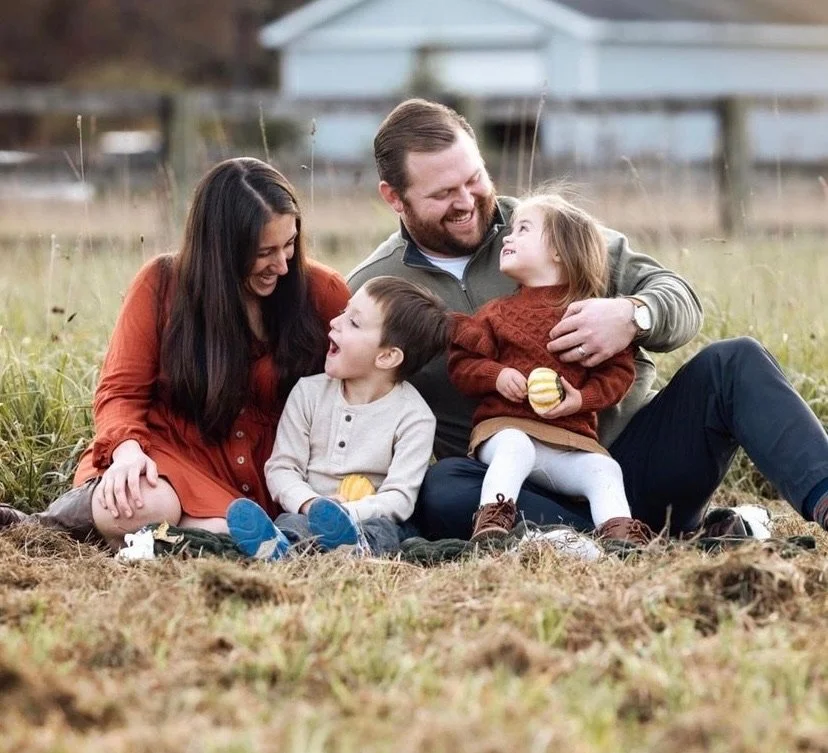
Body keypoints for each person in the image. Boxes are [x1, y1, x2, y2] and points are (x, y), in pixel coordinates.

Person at [348, 98, 828, 540]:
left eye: (474, 178)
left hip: (629, 462)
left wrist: (632, 314)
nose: (468, 200)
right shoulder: (373, 289)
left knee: (735, 361)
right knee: (442, 488)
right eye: (443, 193)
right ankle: (612, 538)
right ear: (394, 197)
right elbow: (343, 402)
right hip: (511, 488)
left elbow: (680, 300)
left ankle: (821, 496)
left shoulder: (546, 226)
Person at [0, 157, 349, 544]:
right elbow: (121, 391)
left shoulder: (323, 292)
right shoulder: (161, 284)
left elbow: (361, 385)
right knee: (140, 503)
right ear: (220, 247)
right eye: (264, 251)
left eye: (289, 244)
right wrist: (128, 453)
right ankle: (210, 536)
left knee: (205, 524)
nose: (282, 265)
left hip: (276, 478)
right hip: (171, 457)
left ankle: (201, 539)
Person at [449, 191, 656, 547]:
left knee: (604, 469)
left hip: (566, 441)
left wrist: (581, 399)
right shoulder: (496, 313)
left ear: (559, 251)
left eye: (523, 229)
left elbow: (618, 374)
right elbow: (462, 364)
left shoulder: (589, 317)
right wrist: (497, 376)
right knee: (516, 446)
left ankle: (620, 536)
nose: (508, 237)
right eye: (511, 230)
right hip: (504, 428)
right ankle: (492, 525)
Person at [225, 276, 450, 559]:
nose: (335, 322)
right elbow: (282, 467)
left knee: (386, 531)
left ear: (387, 357)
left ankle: (355, 549)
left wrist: (348, 513)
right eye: (344, 311)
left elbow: (400, 498)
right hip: (307, 511)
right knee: (291, 524)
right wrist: (310, 503)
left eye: (354, 322)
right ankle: (278, 549)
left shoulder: (415, 417)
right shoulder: (308, 393)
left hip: (370, 517)